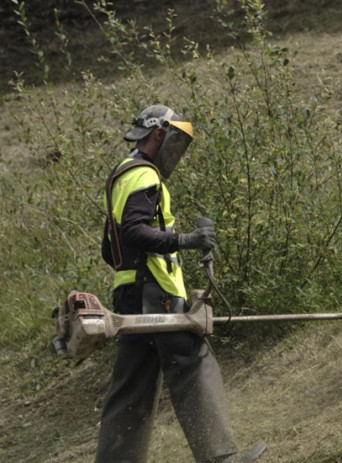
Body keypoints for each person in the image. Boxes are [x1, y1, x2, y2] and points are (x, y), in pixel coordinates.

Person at [96, 104, 266, 463]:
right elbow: (134, 231)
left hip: (129, 295)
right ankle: (221, 457)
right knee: (192, 360)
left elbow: (109, 249)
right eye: (175, 142)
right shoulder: (145, 176)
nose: (176, 152)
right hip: (155, 294)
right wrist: (186, 241)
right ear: (160, 134)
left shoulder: (121, 174)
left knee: (131, 390)